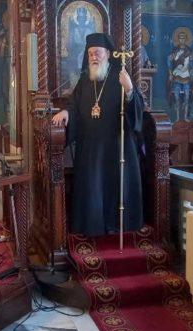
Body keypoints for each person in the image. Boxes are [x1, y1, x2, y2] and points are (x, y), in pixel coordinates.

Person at [52, 33, 144, 236]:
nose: (94, 57)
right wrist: (67, 112)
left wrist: (129, 89)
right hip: (90, 147)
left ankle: (118, 226)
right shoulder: (85, 79)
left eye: (98, 53)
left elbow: (137, 109)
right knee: (92, 187)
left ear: (108, 54)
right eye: (91, 53)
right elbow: (74, 104)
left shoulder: (120, 75)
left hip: (117, 146)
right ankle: (92, 227)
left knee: (115, 186)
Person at [167, 29, 193, 121]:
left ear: (186, 39)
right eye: (180, 38)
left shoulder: (189, 50)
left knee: (187, 97)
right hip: (177, 77)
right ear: (178, 39)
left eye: (183, 38)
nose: (181, 40)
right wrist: (170, 73)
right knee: (176, 97)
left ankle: (185, 117)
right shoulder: (175, 50)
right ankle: (177, 118)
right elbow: (169, 61)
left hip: (186, 77)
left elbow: (192, 63)